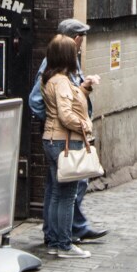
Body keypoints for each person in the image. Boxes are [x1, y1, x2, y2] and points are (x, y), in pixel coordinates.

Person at [27, 20, 108, 243]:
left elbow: (70, 98)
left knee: (61, 188)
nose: (81, 44)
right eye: (81, 39)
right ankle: (63, 237)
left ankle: (64, 231)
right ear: (75, 39)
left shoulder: (65, 66)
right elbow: (37, 102)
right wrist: (64, 123)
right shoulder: (56, 68)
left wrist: (85, 87)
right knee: (67, 188)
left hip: (61, 137)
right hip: (64, 139)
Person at [38, 34, 96, 258]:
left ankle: (54, 241)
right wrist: (85, 125)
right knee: (67, 195)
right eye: (74, 52)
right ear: (66, 56)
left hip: (52, 139)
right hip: (65, 142)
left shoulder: (49, 78)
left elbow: (66, 102)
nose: (77, 54)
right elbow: (66, 114)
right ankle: (64, 244)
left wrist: (84, 88)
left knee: (56, 192)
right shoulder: (61, 81)